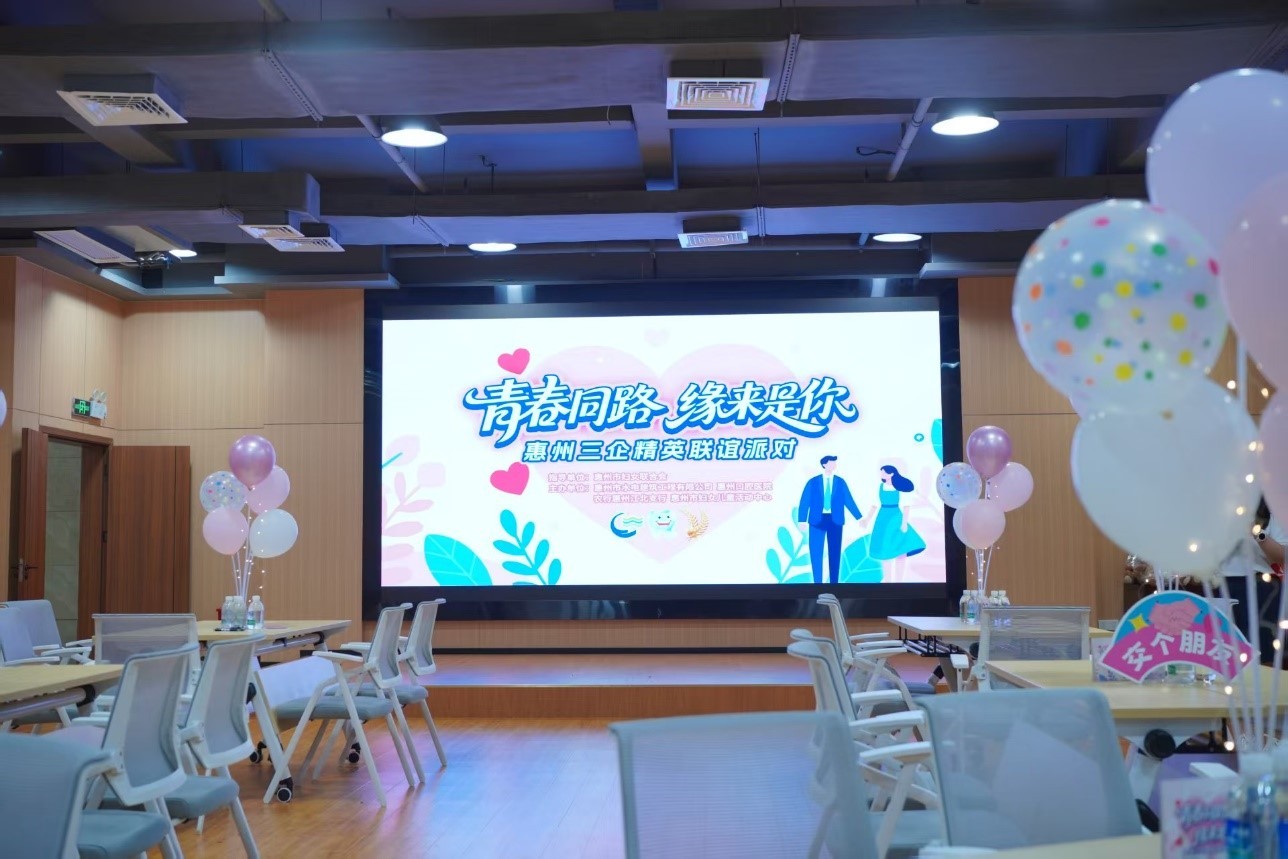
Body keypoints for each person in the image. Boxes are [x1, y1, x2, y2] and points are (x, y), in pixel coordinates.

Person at [1218, 498, 1287, 666]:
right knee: (1222, 656)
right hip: (1217, 586)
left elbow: (1282, 556)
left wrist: (1257, 532)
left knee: (1262, 658)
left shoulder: (1273, 502)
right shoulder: (1218, 501)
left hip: (1262, 588)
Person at [797, 455, 862, 585]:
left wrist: (859, 517)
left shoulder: (840, 482)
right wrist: (802, 520)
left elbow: (848, 500)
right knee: (816, 553)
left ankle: (834, 584)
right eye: (831, 463)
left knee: (835, 553)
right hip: (816, 520)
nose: (834, 465)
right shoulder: (813, 482)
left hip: (835, 520)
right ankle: (817, 584)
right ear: (824, 464)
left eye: (834, 463)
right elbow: (805, 500)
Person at [865, 465, 926, 582]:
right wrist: (867, 519)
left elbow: (906, 506)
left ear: (891, 473)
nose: (881, 474)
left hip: (896, 517)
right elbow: (874, 505)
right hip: (883, 519)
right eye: (881, 472)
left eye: (883, 472)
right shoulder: (880, 487)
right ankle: (888, 580)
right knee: (885, 549)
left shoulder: (899, 488)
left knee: (901, 549)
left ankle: (899, 581)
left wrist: (904, 523)